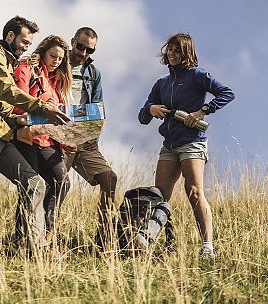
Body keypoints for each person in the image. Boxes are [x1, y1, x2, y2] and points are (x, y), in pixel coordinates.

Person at [0, 15, 70, 258]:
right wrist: (41, 106)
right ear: (10, 35)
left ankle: (33, 248)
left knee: (35, 185)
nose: (25, 47)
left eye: (29, 44)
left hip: (1, 133)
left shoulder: (7, 60)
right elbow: (7, 91)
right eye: (24, 41)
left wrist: (19, 119)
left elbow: (2, 103)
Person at [138, 32, 235, 259]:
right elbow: (142, 117)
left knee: (193, 191)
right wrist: (151, 109)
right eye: (169, 49)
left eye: (177, 50)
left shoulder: (197, 75)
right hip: (169, 145)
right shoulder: (161, 84)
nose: (172, 54)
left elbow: (227, 93)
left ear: (187, 53)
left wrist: (203, 111)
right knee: (159, 196)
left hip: (192, 142)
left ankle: (207, 247)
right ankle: (157, 241)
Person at [11, 35, 73, 234]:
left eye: (60, 59)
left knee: (61, 182)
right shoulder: (26, 68)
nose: (56, 61)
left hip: (48, 141)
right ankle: (23, 237)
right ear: (43, 52)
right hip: (26, 137)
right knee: (31, 187)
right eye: (52, 56)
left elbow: (57, 118)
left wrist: (65, 142)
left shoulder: (55, 81)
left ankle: (47, 232)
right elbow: (18, 102)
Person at [64, 27, 117, 248]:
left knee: (109, 178)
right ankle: (42, 237)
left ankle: (105, 238)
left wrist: (93, 131)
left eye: (89, 50)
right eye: (80, 46)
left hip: (83, 137)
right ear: (73, 41)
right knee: (57, 184)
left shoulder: (93, 73)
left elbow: (98, 108)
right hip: (58, 136)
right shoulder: (56, 61)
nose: (83, 52)